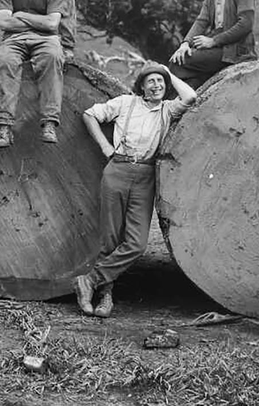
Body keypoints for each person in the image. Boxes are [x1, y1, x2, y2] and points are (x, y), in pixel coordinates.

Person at [76, 64, 197, 318]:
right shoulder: (125, 103)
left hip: (145, 175)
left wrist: (168, 72)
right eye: (151, 81)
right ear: (141, 86)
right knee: (110, 238)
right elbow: (89, 115)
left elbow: (191, 97)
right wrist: (105, 147)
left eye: (160, 82)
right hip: (117, 169)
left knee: (136, 243)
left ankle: (89, 279)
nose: (157, 85)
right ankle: (105, 296)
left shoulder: (167, 109)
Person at [0, 0, 69, 148]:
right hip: (14, 39)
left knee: (52, 56)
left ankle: (49, 122)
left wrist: (21, 15)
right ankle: (5, 126)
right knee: (4, 60)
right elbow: (3, 21)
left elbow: (52, 23)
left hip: (45, 39)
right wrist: (37, 20)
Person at [168, 0, 257, 88]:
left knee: (177, 63)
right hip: (219, 52)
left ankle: (170, 106)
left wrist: (213, 41)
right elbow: (201, 21)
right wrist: (185, 44)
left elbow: (245, 24)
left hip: (237, 52)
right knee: (180, 60)